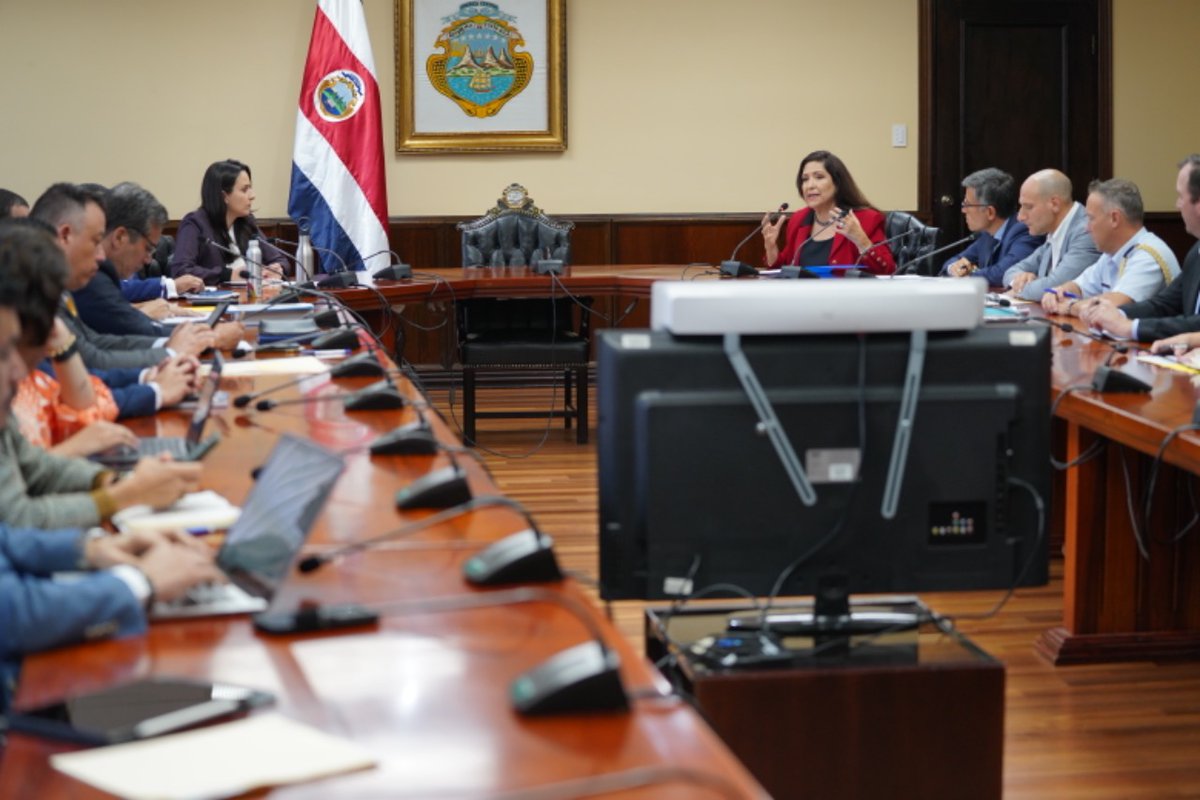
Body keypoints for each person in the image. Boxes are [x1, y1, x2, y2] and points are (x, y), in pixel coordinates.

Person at [0, 243, 221, 708]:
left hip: (30, 666)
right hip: (18, 704)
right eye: (4, 354)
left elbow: (10, 538)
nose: (19, 369)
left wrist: (97, 549)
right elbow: (12, 608)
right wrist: (140, 581)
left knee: (203, 677)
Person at [0, 220, 202, 530]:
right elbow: (17, 520)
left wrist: (117, 482)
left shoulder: (21, 363)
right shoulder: (14, 372)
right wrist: (124, 495)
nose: (100, 255)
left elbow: (35, 468)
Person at [30, 183, 215, 369]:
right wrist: (168, 359)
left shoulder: (54, 289)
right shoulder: (30, 295)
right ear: (65, 235)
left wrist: (168, 353)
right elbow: (92, 363)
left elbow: (95, 343)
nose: (101, 255)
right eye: (95, 241)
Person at [73, 182, 243, 346]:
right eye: (147, 248)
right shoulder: (88, 273)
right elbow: (124, 329)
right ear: (119, 237)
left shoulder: (99, 272)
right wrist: (212, 337)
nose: (148, 259)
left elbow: (112, 320)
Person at [1082, 155, 1200, 345]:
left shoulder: (1149, 253)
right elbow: (1165, 304)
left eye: (1180, 196)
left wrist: (1131, 327)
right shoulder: (1196, 251)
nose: (1177, 205)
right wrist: (1115, 314)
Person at [1041, 178, 1179, 318]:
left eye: (1091, 218)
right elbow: (1079, 287)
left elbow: (1116, 304)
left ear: (1114, 218)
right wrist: (1059, 293)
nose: (1087, 227)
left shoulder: (1148, 255)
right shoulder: (1111, 254)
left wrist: (1070, 306)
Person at [761, 150, 896, 274]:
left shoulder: (866, 219)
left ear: (837, 183)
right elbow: (785, 270)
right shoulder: (799, 219)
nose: (810, 185)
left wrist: (861, 240)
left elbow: (887, 271)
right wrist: (771, 248)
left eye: (819, 177)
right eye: (805, 179)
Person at [170, 159, 288, 285]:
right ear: (224, 196)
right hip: (215, 302)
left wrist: (277, 269)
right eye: (244, 190)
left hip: (250, 298)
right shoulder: (195, 224)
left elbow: (280, 259)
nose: (252, 195)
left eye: (250, 188)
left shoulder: (246, 223)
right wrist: (227, 275)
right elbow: (180, 271)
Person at [1002, 169, 1101, 300]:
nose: (1020, 217)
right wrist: (1020, 280)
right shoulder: (1053, 232)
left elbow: (1055, 287)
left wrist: (1020, 289)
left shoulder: (1086, 231)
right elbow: (1010, 272)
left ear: (1054, 204)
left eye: (1029, 207)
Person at [941, 168, 1042, 283]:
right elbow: (954, 261)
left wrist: (968, 276)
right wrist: (953, 268)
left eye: (967, 204)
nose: (963, 210)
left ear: (990, 212)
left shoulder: (1025, 231)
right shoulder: (987, 234)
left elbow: (1002, 273)